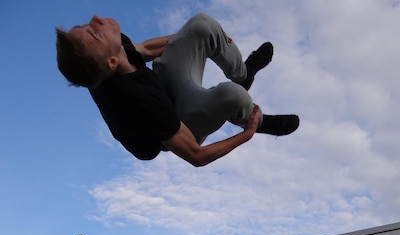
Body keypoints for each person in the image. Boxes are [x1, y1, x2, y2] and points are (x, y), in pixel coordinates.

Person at [56, 13, 299, 167]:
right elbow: (196, 155)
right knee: (233, 95)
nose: (97, 18)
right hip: (177, 128)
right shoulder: (139, 101)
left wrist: (194, 37)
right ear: (111, 63)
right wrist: (246, 135)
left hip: (162, 89)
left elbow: (148, 50)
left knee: (202, 25)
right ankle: (258, 120)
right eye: (95, 33)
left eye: (87, 25)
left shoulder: (113, 53)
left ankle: (243, 74)